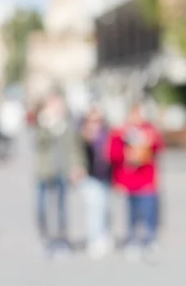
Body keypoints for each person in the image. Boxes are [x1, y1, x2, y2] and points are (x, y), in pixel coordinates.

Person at [108, 102, 164, 263]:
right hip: (130, 180)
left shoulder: (150, 130)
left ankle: (149, 238)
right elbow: (113, 154)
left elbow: (158, 148)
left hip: (146, 179)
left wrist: (151, 139)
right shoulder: (121, 132)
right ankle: (132, 239)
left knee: (149, 211)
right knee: (131, 212)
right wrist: (125, 151)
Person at [34, 90, 83, 258]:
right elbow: (38, 143)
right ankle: (45, 238)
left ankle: (62, 239)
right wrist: (47, 125)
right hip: (44, 171)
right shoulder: (42, 124)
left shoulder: (67, 125)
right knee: (41, 208)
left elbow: (74, 148)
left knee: (62, 207)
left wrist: (77, 166)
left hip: (62, 170)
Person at [74, 106, 112, 259]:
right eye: (92, 120)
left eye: (98, 121)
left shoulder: (106, 135)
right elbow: (76, 154)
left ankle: (104, 234)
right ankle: (93, 238)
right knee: (93, 207)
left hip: (105, 177)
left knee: (105, 207)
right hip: (89, 176)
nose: (95, 124)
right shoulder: (82, 135)